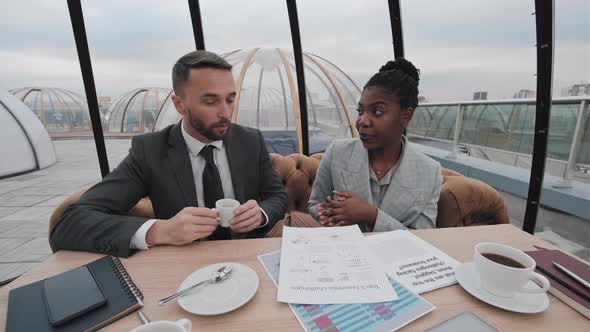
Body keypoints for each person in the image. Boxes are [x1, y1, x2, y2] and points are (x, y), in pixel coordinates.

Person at [50, 50, 288, 257]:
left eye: (230, 99)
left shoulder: (250, 140)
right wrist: (161, 230)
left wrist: (261, 214)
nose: (225, 113)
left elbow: (277, 197)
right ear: (179, 104)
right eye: (210, 101)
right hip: (181, 268)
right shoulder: (150, 151)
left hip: (248, 260)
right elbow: (70, 223)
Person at [307, 58, 442, 232]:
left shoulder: (429, 172)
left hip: (395, 259)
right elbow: (314, 204)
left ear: (406, 117)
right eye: (360, 111)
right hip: (344, 253)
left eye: (377, 111)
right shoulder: (337, 153)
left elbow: (424, 236)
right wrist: (327, 213)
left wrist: (371, 215)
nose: (362, 121)